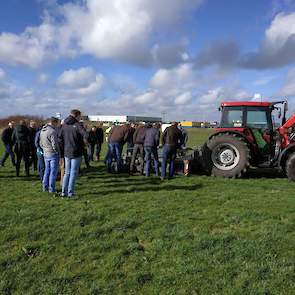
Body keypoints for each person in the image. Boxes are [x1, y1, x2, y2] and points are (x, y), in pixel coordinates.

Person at [59, 109, 88, 198]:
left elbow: (59, 138)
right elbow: (86, 135)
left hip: (66, 152)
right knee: (73, 173)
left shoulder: (64, 125)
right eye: (80, 116)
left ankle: (64, 192)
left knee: (67, 172)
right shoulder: (78, 125)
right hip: (76, 152)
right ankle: (70, 193)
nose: (80, 118)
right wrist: (85, 142)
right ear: (77, 116)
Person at [40, 117, 60, 193]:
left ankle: (45, 187)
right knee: (53, 172)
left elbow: (40, 143)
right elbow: (54, 144)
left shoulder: (42, 130)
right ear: (54, 122)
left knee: (47, 171)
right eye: (56, 123)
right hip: (53, 154)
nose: (57, 125)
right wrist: (57, 151)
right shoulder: (52, 131)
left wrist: (45, 150)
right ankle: (52, 189)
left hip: (45, 153)